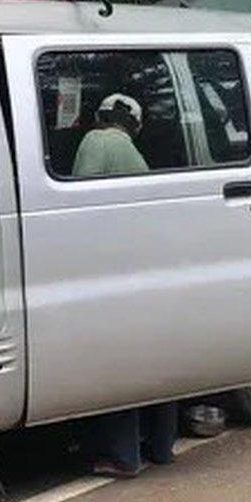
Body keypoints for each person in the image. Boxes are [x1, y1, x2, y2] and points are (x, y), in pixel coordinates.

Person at [72, 93, 178, 478]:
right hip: (149, 265)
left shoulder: (96, 142)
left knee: (118, 362)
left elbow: (81, 206)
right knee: (156, 357)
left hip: (113, 266)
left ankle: (123, 456)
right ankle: (161, 447)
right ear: (134, 122)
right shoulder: (132, 152)